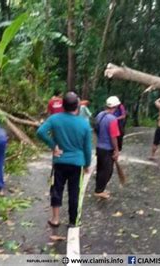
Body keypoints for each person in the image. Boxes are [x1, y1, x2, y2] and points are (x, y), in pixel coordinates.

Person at [37, 92, 92, 227]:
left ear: (63, 105)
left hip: (59, 161)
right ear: (77, 106)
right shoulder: (84, 124)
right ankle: (73, 221)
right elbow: (87, 148)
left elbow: (40, 132)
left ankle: (55, 219)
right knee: (74, 192)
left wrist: (53, 145)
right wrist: (87, 164)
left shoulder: (54, 119)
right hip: (77, 163)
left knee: (56, 189)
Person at [94, 96, 121, 199]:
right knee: (107, 171)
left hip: (99, 147)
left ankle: (99, 188)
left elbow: (96, 129)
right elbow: (113, 137)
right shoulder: (112, 119)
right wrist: (116, 150)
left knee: (100, 169)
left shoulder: (100, 115)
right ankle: (99, 191)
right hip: (107, 149)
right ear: (115, 106)